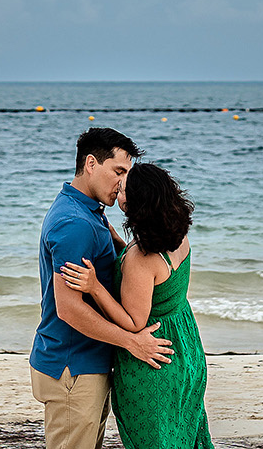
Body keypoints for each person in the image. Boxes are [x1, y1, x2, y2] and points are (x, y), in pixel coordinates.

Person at [32, 128, 174, 449]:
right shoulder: (75, 223)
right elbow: (68, 307)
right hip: (73, 368)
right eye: (118, 172)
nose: (123, 184)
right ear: (92, 164)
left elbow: (124, 263)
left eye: (127, 174)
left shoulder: (89, 213)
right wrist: (132, 342)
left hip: (86, 363)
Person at [59, 162, 212, 449]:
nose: (118, 188)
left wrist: (95, 288)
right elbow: (157, 284)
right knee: (183, 436)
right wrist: (119, 243)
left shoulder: (141, 258)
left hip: (155, 362)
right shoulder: (178, 238)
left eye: (123, 188)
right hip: (186, 351)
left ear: (133, 204)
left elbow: (134, 322)